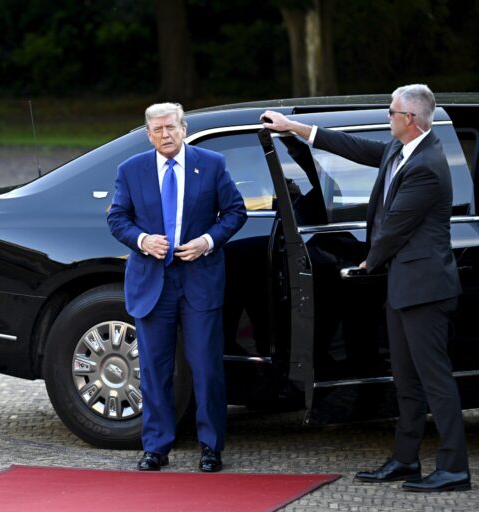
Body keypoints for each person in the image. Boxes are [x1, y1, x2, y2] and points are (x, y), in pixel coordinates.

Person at [261, 84, 470, 492]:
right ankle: (405, 461)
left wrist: (365, 262)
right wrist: (295, 128)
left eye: (391, 112)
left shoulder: (427, 164)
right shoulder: (400, 149)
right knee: (406, 381)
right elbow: (352, 147)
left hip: (425, 291)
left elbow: (395, 226)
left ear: (410, 119)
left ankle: (454, 468)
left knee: (435, 381)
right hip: (404, 288)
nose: (387, 117)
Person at [107, 102, 246, 471]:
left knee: (206, 368)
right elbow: (117, 218)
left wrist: (208, 241)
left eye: (171, 127)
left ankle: (211, 447)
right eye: (157, 130)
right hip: (152, 283)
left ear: (183, 128)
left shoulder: (211, 163)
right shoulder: (131, 170)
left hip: (199, 278)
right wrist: (141, 240)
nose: (165, 135)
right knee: (154, 369)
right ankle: (156, 447)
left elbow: (236, 211)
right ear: (148, 134)